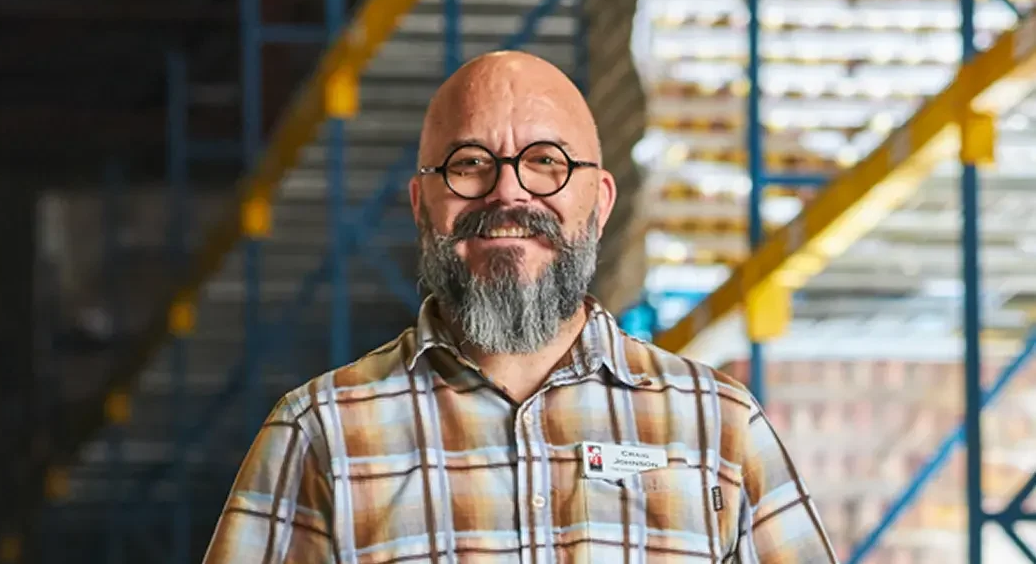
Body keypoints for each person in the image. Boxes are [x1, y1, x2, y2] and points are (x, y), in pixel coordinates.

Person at [203, 51, 838, 563]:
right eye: (470, 163)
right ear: (421, 204)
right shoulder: (319, 436)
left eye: (545, 162)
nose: (508, 191)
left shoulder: (719, 429)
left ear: (600, 202)